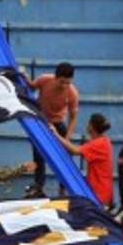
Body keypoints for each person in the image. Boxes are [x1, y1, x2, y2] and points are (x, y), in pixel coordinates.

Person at [28, 62, 79, 197]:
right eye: (62, 82)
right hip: (40, 122)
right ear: (55, 77)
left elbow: (73, 117)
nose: (64, 86)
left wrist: (67, 139)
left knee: (65, 157)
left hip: (57, 124)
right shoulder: (45, 80)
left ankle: (64, 187)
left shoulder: (72, 93)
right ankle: (39, 186)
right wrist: (23, 75)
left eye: (67, 83)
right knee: (39, 156)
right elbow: (31, 85)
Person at [53, 112, 115, 208]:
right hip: (100, 191)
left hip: (99, 193)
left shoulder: (99, 143)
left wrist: (56, 134)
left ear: (92, 126)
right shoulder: (103, 142)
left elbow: (75, 150)